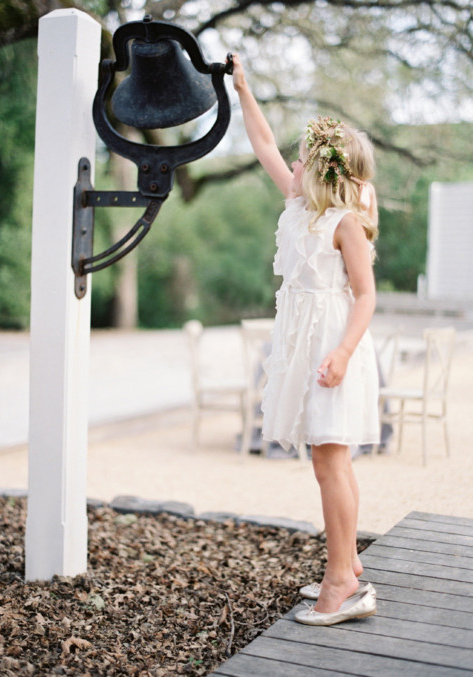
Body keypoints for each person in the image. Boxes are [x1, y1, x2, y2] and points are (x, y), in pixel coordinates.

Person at [232, 54, 380, 626]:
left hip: (332, 350)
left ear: (321, 174)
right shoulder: (298, 209)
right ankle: (348, 565)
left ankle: (341, 578)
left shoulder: (345, 224)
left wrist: (341, 353)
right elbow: (264, 142)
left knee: (330, 461)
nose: (288, 163)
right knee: (328, 461)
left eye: (300, 160)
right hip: (304, 348)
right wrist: (244, 90)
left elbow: (365, 297)